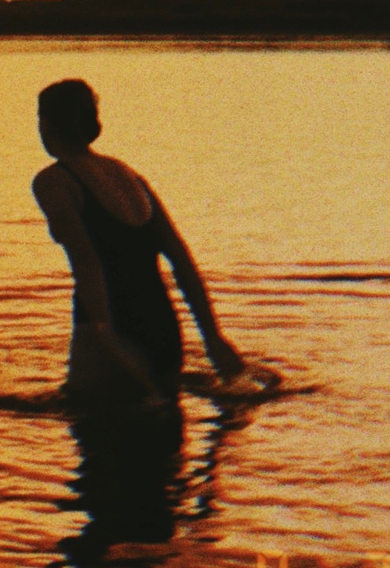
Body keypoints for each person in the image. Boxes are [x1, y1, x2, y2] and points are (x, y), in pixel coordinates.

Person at [30, 78, 243, 410]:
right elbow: (181, 258)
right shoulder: (128, 175)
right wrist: (212, 338)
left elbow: (86, 261)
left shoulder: (52, 182)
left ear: (48, 125)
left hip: (111, 326)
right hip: (163, 328)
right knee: (166, 445)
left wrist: (104, 333)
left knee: (97, 437)